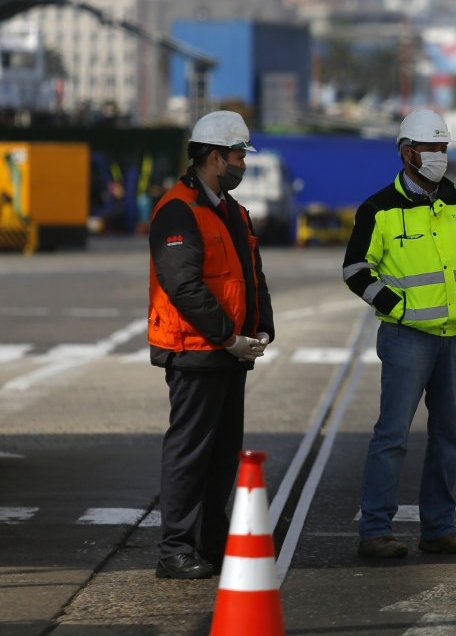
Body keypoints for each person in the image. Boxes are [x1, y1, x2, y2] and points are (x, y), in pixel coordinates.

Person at [342, 109, 456, 559]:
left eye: (443, 148)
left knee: (450, 436)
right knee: (392, 436)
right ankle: (375, 531)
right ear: (407, 152)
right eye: (431, 148)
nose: (439, 156)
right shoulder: (378, 209)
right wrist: (399, 308)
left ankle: (440, 528)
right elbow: (355, 270)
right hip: (407, 338)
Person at [148, 110, 274, 579]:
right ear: (216, 157)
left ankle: (210, 542)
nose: (243, 164)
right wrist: (227, 336)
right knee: (190, 453)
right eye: (239, 155)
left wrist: (262, 328)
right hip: (195, 350)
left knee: (222, 454)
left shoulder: (232, 211)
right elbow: (183, 285)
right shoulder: (178, 210)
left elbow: (251, 276)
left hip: (229, 352)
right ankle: (175, 550)